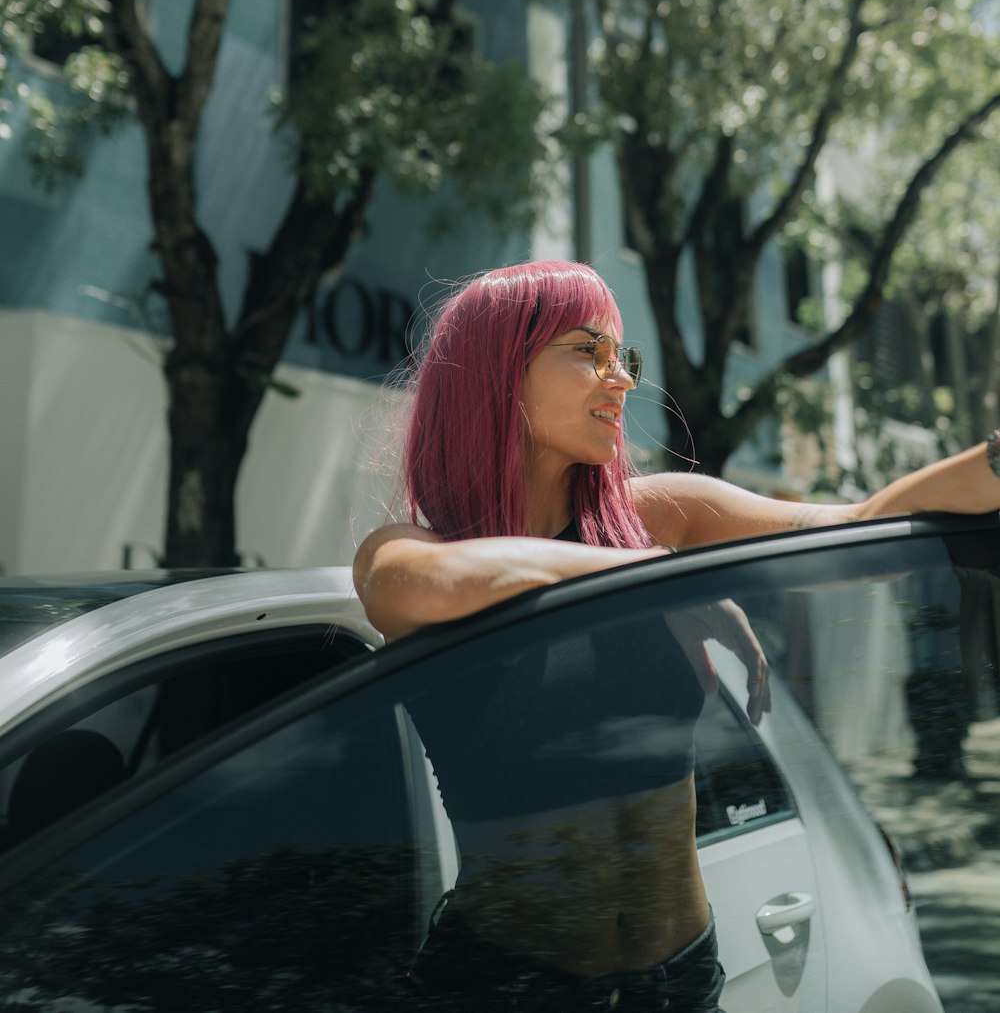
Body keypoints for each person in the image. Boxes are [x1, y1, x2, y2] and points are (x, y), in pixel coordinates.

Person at [353, 259, 1000, 1013]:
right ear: (501, 374)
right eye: (586, 350)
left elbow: (857, 525)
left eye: (621, 356)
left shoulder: (663, 512)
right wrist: (653, 577)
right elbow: (435, 586)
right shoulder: (407, 549)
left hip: (682, 980)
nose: (621, 379)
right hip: (508, 987)